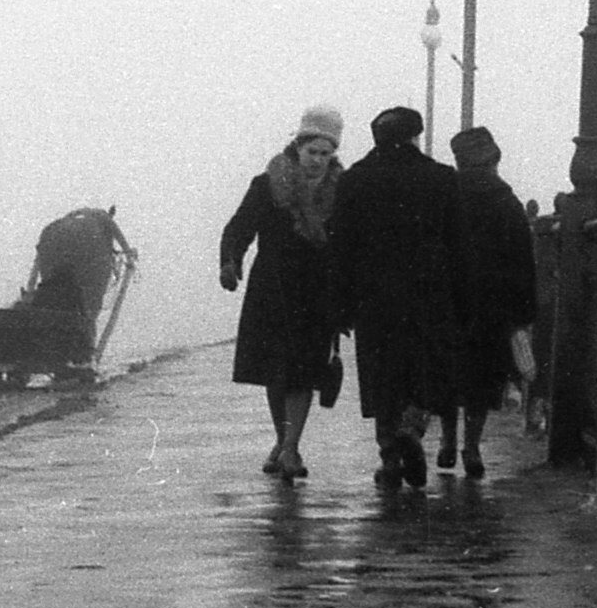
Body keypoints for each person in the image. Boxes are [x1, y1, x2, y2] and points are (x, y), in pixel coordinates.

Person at [330, 105, 466, 489]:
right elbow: (458, 245)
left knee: (382, 376)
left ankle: (390, 456)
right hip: (430, 294)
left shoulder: (354, 180)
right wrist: (461, 298)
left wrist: (340, 305)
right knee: (427, 369)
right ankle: (412, 426)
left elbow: (341, 247)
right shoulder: (441, 178)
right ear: (414, 137)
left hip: (373, 298)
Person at [220, 107, 344, 481]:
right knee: (277, 374)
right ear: (298, 147)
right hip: (273, 289)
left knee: (303, 373)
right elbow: (239, 227)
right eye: (312, 153)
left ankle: (290, 447)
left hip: (318, 293)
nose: (318, 162)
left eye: (325, 154)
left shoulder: (342, 191)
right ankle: (283, 439)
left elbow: (351, 241)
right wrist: (230, 262)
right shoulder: (267, 184)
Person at [434, 126, 539, 478]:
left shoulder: (446, 195)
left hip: (450, 300)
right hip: (492, 305)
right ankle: (472, 448)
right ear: (493, 160)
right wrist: (524, 312)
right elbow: (523, 261)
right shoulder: (507, 202)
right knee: (480, 381)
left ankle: (447, 441)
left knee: (450, 376)